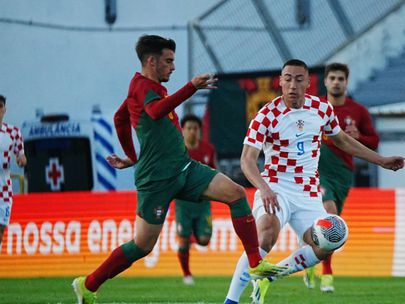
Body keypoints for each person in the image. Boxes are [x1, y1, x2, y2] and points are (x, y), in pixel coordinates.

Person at [72, 35, 285, 304]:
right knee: (142, 245)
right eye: (168, 61)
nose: (173, 67)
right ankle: (88, 284)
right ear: (151, 61)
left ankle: (255, 264)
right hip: (157, 179)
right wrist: (191, 87)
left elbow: (120, 118)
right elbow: (155, 112)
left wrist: (131, 155)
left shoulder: (147, 87)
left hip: (184, 168)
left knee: (237, 193)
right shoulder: (141, 86)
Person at [223, 59, 405, 304]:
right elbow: (247, 160)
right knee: (265, 234)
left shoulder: (322, 109)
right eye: (288, 78)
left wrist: (380, 160)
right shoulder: (265, 116)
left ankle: (269, 277)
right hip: (275, 186)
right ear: (280, 82)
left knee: (326, 244)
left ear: (308, 83)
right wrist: (264, 188)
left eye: (299, 79)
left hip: (308, 192)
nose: (293, 85)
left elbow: (341, 140)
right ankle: (230, 301)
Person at [303, 62, 380, 292]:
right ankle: (327, 274)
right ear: (325, 81)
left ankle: (309, 259)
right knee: (330, 216)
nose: (336, 82)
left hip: (343, 174)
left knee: (330, 225)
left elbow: (373, 141)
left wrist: (359, 138)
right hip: (317, 170)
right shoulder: (314, 107)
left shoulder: (358, 111)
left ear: (346, 82)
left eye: (341, 78)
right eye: (332, 78)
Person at [175, 114, 217, 285]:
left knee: (204, 241)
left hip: (202, 203)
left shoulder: (208, 149)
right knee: (183, 241)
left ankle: (189, 235)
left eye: (195, 128)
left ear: (200, 131)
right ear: (182, 131)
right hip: (183, 203)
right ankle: (187, 275)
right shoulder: (177, 151)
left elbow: (213, 174)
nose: (192, 131)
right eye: (189, 128)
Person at [0, 95, 27, 250]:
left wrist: (21, 160)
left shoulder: (13, 132)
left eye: (0, 106)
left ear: (4, 109)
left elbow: (21, 156)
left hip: (4, 189)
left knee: (1, 229)